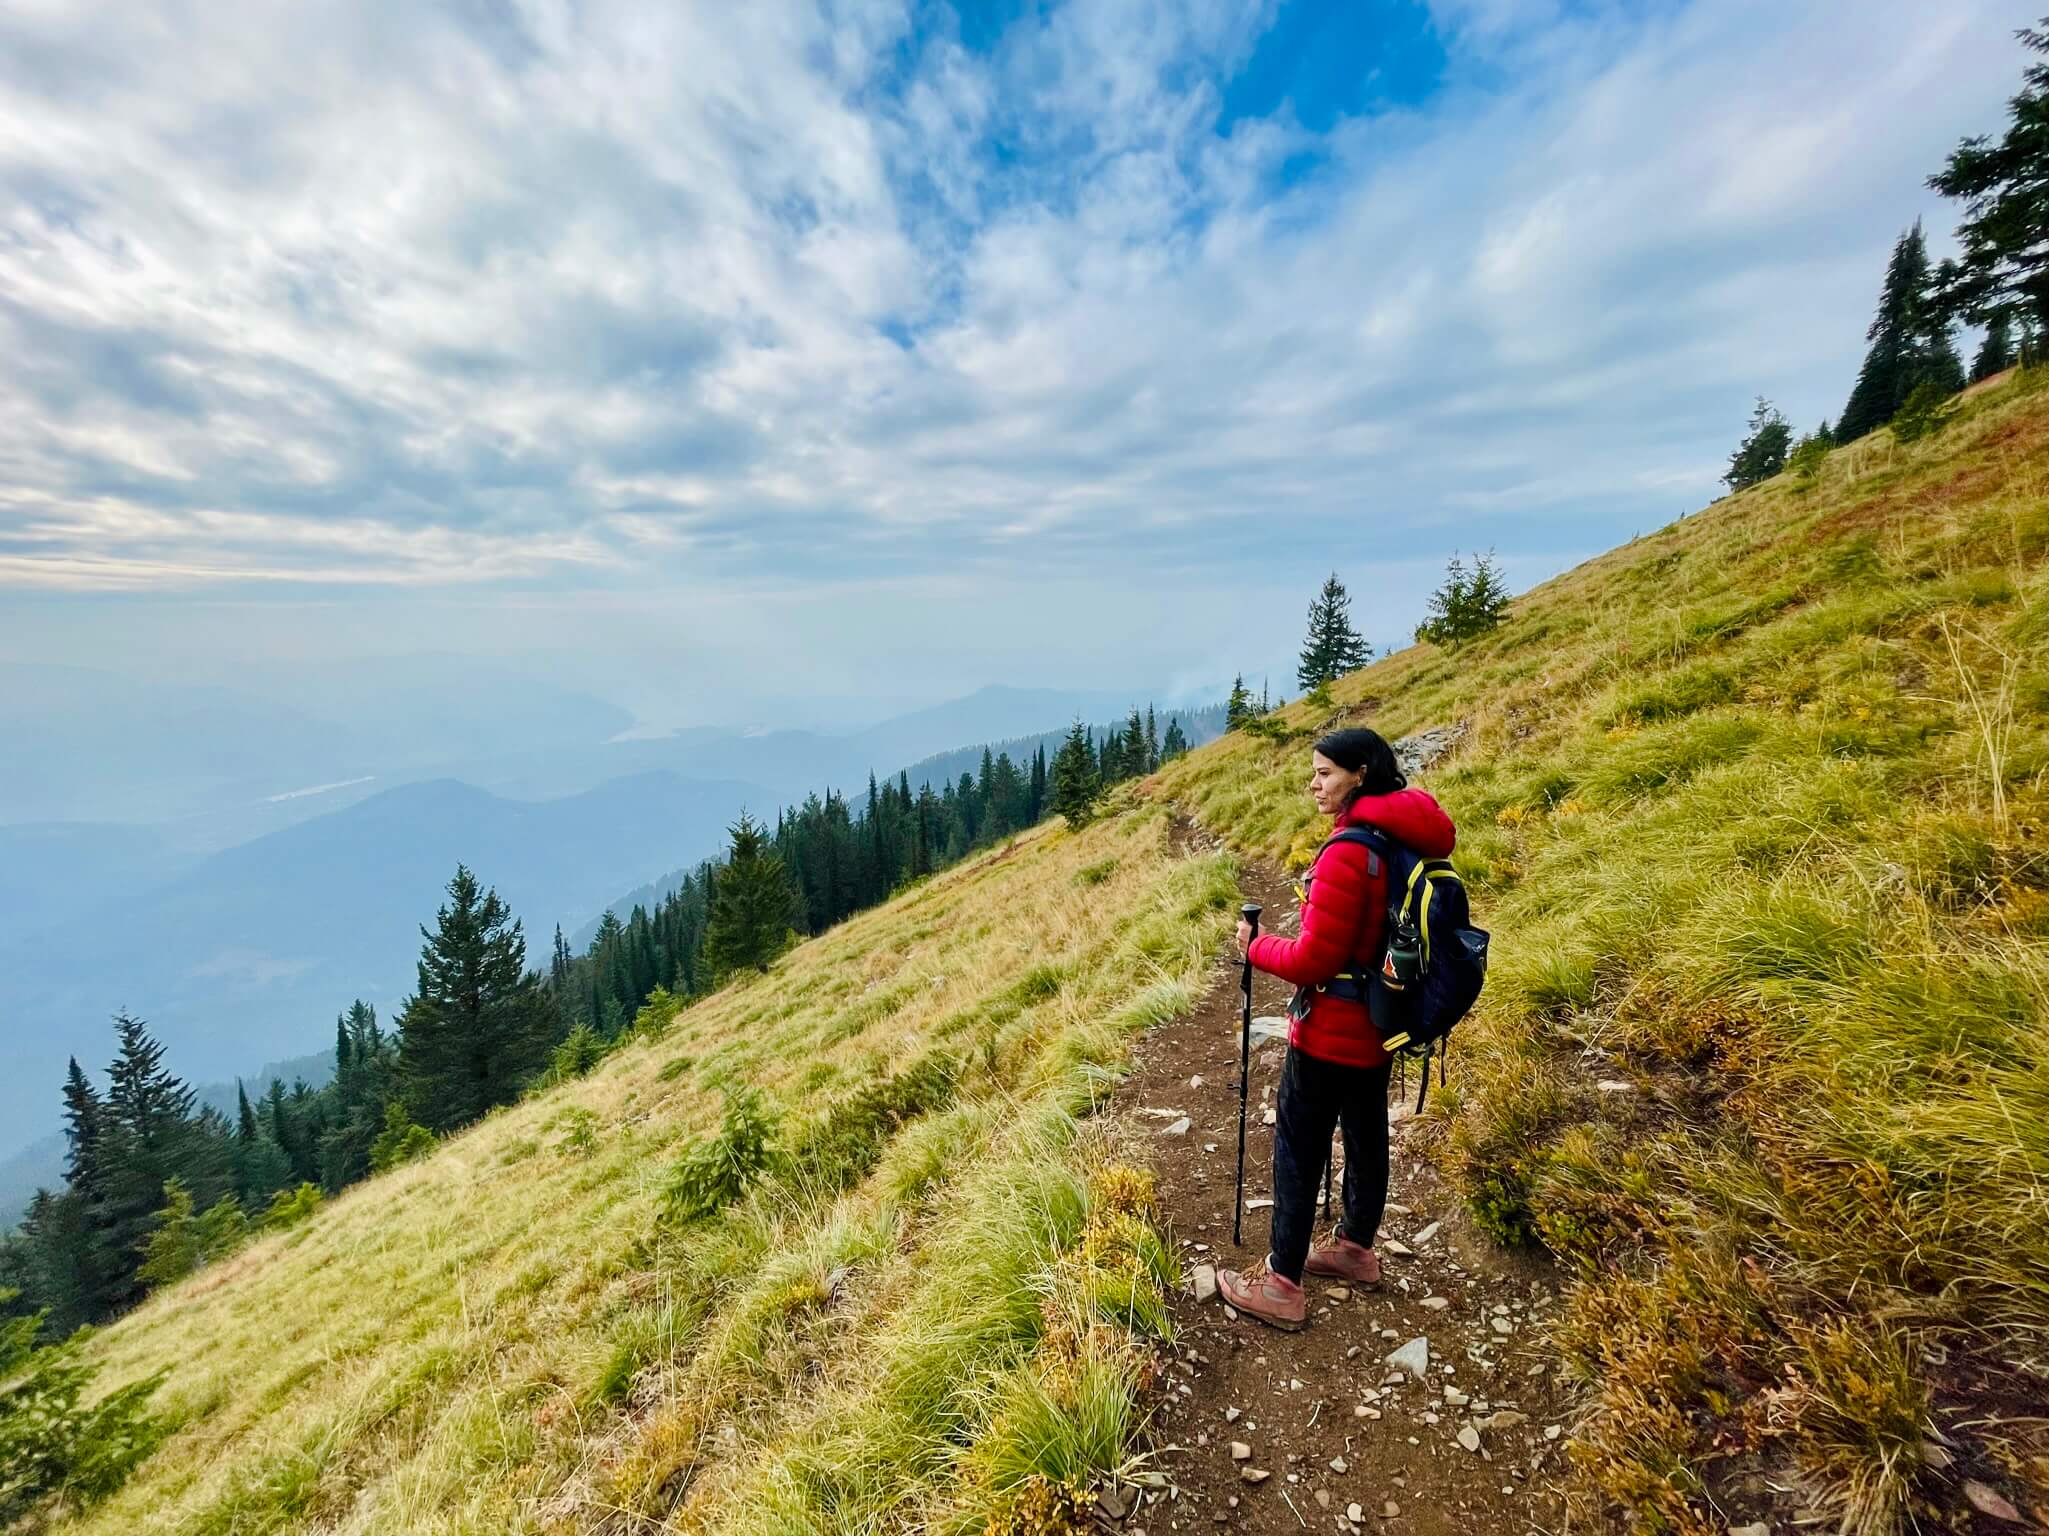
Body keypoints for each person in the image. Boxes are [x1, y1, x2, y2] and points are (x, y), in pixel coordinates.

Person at [1215, 727, 1455, 1330]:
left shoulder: (1350, 850)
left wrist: (1255, 947)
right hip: (1378, 1024)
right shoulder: (1395, 840)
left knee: (1298, 1148)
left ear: (1361, 775)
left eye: (1324, 773)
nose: (1313, 784)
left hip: (1329, 1031)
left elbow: (1314, 960)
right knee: (1367, 1133)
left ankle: (1282, 1285)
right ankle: (1354, 1248)